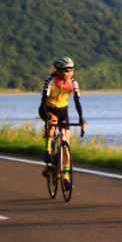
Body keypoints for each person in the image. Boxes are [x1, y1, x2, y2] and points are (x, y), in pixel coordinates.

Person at [38, 57, 87, 189]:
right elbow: (43, 101)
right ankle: (48, 150)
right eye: (65, 71)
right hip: (48, 108)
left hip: (62, 110)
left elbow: (77, 102)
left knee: (66, 142)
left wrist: (81, 119)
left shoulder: (73, 83)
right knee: (53, 122)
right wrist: (47, 116)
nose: (68, 73)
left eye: (70, 70)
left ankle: (65, 176)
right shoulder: (50, 81)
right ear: (58, 71)